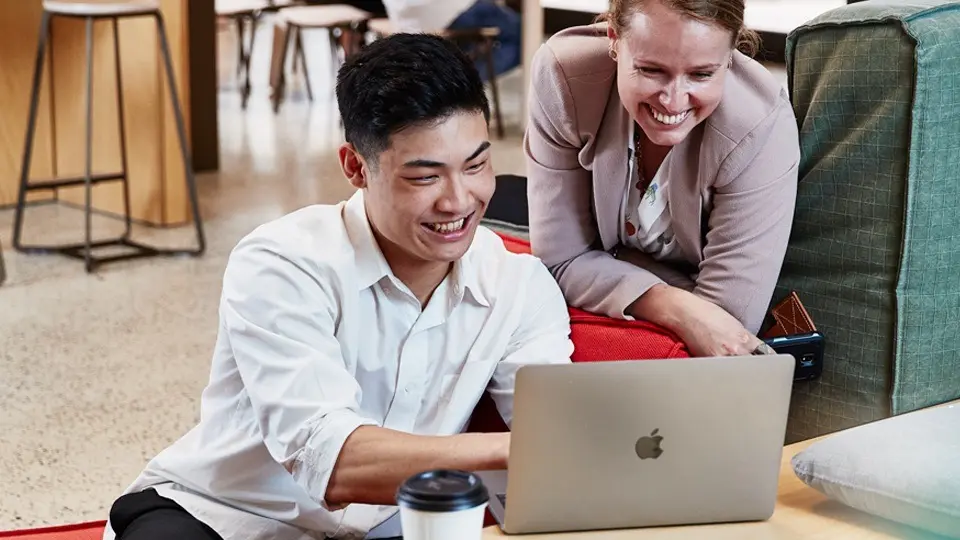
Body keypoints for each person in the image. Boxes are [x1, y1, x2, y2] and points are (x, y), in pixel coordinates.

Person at [102, 33, 573, 540]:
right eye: (424, 177)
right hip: (222, 518)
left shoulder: (519, 285)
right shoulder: (282, 262)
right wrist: (514, 450)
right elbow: (333, 459)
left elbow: (559, 427)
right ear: (355, 167)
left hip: (382, 530)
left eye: (476, 165)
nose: (459, 200)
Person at [524, 0, 800, 358]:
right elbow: (559, 260)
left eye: (701, 74)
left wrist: (606, 264)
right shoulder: (565, 77)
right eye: (651, 70)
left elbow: (727, 326)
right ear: (613, 39)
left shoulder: (762, 127)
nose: (672, 101)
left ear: (731, 55)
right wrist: (671, 303)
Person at [381, 0, 521, 80]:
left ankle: (456, 79)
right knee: (527, 36)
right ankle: (460, 80)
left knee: (523, 44)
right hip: (454, 9)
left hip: (410, 23)